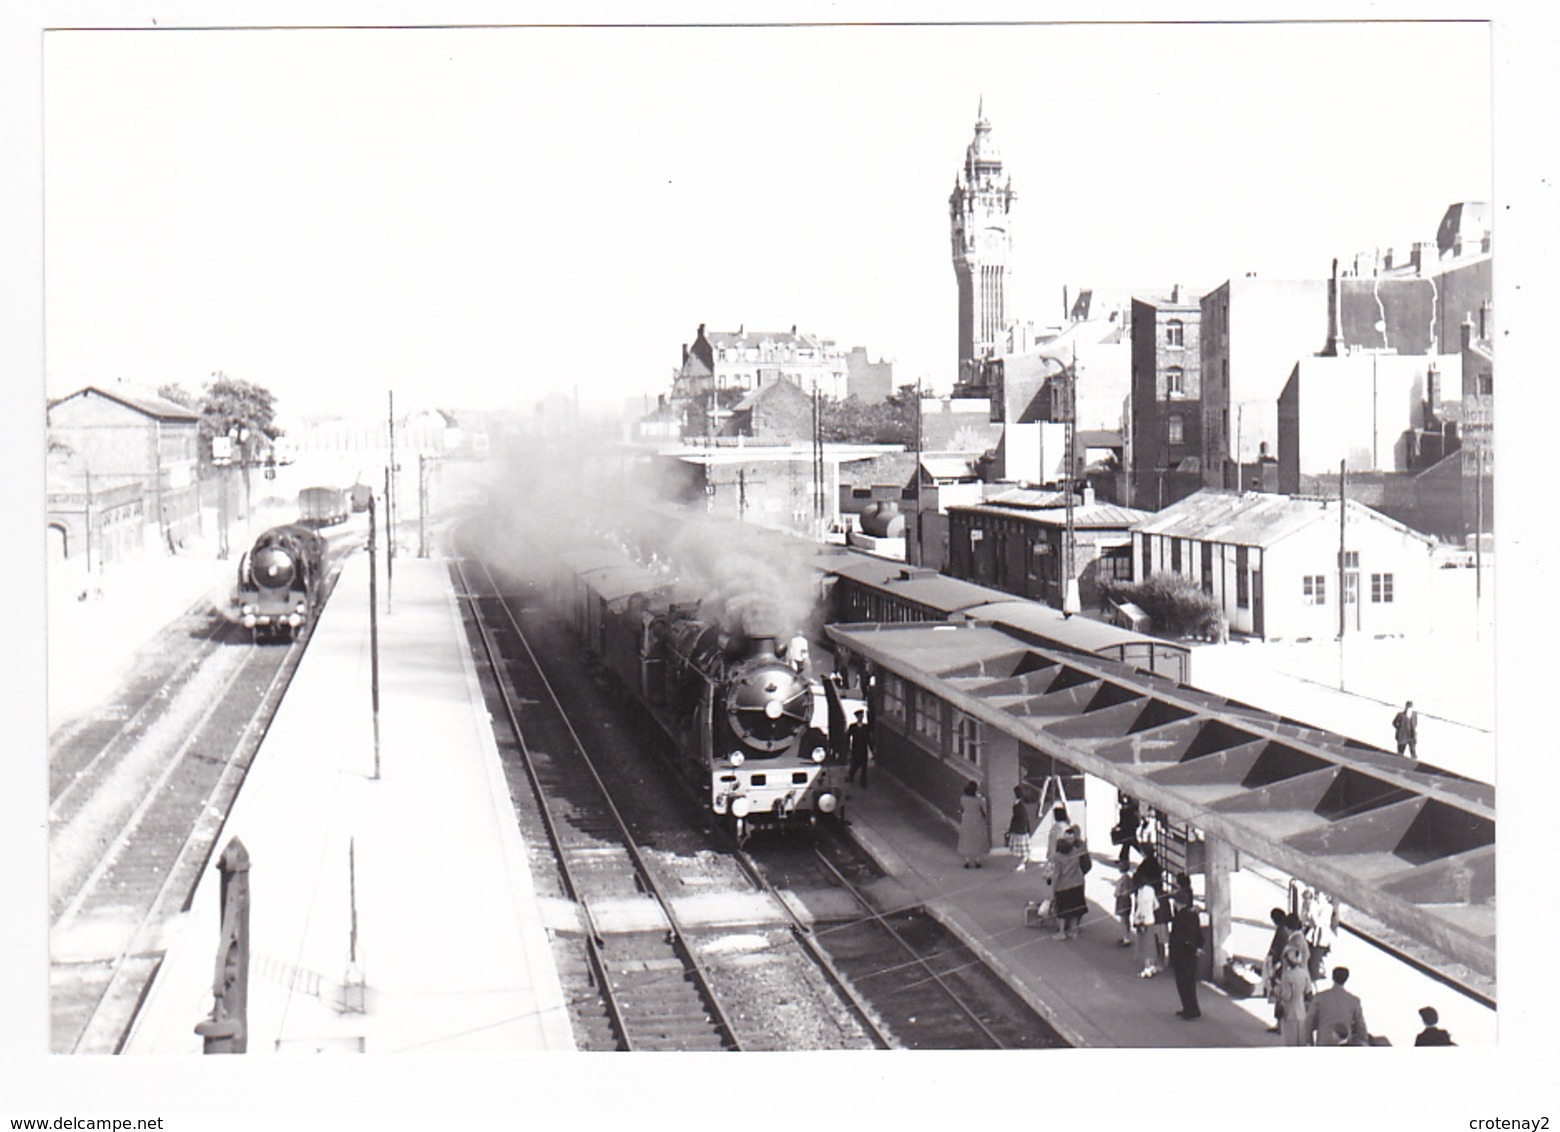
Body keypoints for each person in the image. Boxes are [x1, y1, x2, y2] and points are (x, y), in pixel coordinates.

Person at [1304, 966, 1368, 1046]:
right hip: (1344, 1044)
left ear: (1332, 977)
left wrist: (1309, 1041)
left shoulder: (1319, 997)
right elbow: (1360, 1025)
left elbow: (1309, 1021)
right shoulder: (1354, 1001)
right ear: (1346, 979)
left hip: (1323, 1042)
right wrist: (1363, 1040)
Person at [1168, 888, 1204, 1019]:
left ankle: (1191, 1011)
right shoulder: (1193, 915)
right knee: (1190, 984)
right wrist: (1198, 948)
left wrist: (1192, 948)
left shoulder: (1180, 917)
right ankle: (1189, 1008)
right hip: (1191, 956)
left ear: (1178, 903)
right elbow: (1199, 934)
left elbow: (1181, 939)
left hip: (1182, 956)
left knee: (1183, 984)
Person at [1048, 826, 1088, 939]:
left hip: (1063, 886)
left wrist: (1053, 889)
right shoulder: (1076, 853)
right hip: (1077, 885)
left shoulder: (1058, 857)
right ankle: (1073, 931)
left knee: (1062, 911)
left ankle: (1061, 932)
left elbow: (1056, 874)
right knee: (1074, 910)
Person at [1274, 939, 1315, 1046]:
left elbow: (1286, 996)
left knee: (1290, 1041)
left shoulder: (1287, 976)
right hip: (1301, 1010)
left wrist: (1277, 991)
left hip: (1289, 1011)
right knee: (1301, 1040)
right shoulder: (1304, 973)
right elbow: (1308, 991)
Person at [1262, 907, 1289, 1033]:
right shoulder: (1285, 930)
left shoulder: (1281, 932)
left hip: (1280, 971)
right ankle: (1281, 1025)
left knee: (1279, 997)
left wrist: (1273, 967)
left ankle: (1280, 1025)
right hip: (1283, 968)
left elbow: (1279, 951)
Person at [1131, 873, 1162, 977]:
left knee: (1144, 945)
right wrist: (1150, 911)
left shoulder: (1140, 892)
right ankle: (1152, 966)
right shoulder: (1151, 889)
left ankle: (1147, 968)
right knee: (1151, 944)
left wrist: (1137, 919)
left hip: (1143, 921)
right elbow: (1156, 905)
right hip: (1151, 919)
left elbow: (1141, 909)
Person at [957, 781, 988, 869]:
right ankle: (977, 860)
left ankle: (967, 860)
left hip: (966, 820)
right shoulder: (979, 800)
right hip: (977, 821)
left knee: (966, 838)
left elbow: (962, 809)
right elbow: (984, 811)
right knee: (977, 839)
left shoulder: (963, 799)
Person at [1006, 785, 1033, 869]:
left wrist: (1012, 828)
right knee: (1022, 847)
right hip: (1020, 828)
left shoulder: (1020, 805)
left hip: (1020, 828)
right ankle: (1024, 860)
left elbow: (1020, 817)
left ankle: (1022, 863)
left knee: (1021, 848)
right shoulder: (1019, 803)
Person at [1113, 857, 1137, 947]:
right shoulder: (1129, 878)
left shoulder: (1122, 880)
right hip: (1128, 899)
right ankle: (1126, 936)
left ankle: (1125, 937)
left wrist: (1117, 894)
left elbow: (1117, 891)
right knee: (1126, 918)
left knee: (1123, 919)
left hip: (1122, 900)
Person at [846, 710, 871, 787]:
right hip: (855, 749)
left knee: (864, 767)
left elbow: (869, 739)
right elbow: (847, 737)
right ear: (856, 717)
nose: (861, 718)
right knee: (855, 765)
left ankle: (863, 782)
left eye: (862, 716)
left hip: (863, 749)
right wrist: (848, 748)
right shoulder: (852, 727)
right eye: (859, 716)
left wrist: (871, 749)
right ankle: (851, 775)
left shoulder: (866, 727)